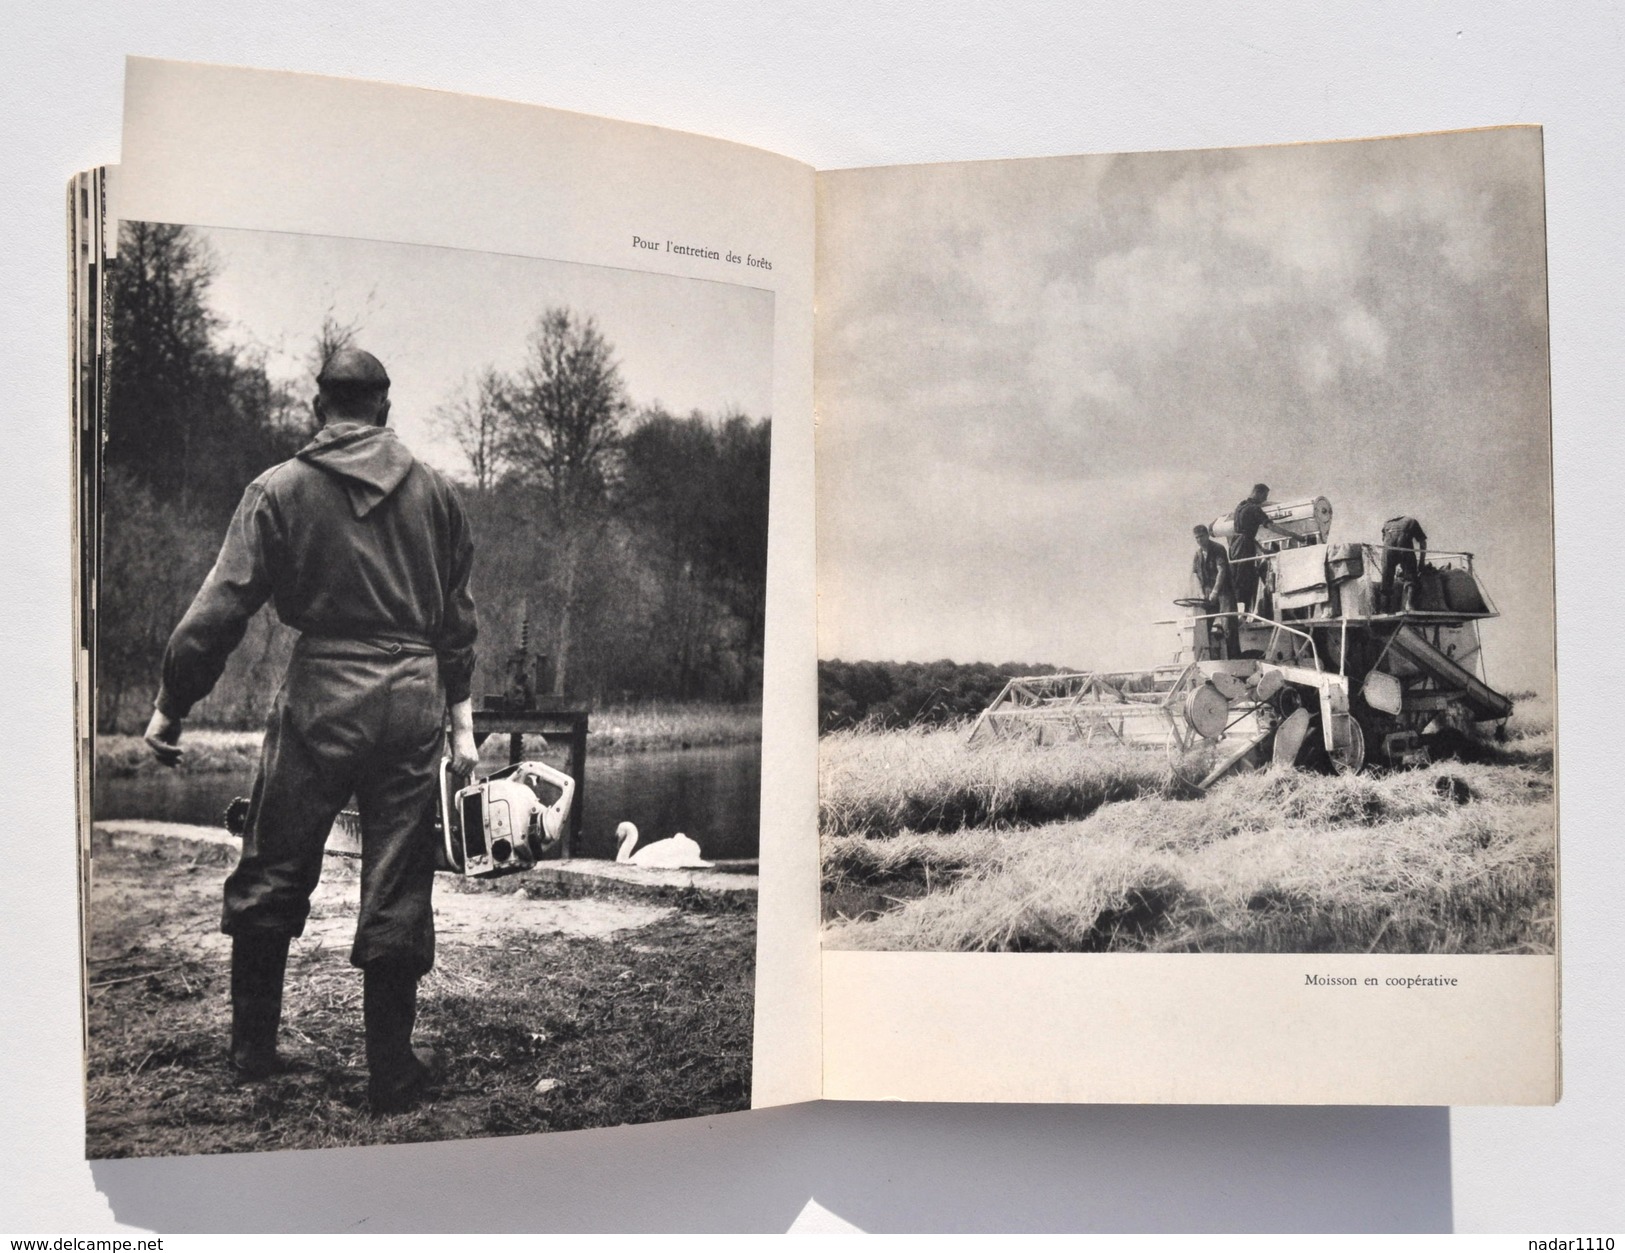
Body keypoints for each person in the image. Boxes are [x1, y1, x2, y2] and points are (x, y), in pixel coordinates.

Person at [142, 348, 480, 1114]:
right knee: (398, 871)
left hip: (323, 689)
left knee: (275, 856)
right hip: (412, 694)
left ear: (319, 406)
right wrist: (460, 725)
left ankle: (252, 1050)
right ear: (385, 410)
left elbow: (221, 607)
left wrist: (173, 703)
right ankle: (391, 1070)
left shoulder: (280, 490)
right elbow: (457, 621)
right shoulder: (437, 495)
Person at [1227, 483, 1295, 614]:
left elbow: (1245, 532)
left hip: (1235, 545)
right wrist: (1293, 535)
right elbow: (1271, 527)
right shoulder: (1254, 509)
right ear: (1257, 493)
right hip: (1245, 547)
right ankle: (1243, 612)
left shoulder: (1240, 506)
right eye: (1265, 495)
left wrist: (1262, 550)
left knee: (1238, 577)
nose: (1265, 499)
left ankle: (1241, 610)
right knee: (1245, 578)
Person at [1190, 524, 1239, 658]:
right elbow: (1195, 575)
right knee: (1203, 626)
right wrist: (1201, 593)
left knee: (1228, 624)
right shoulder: (1198, 554)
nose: (1199, 540)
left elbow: (1221, 570)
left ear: (1206, 535)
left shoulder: (1218, 549)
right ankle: (1205, 658)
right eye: (1196, 538)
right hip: (1207, 593)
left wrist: (1215, 592)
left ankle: (1234, 658)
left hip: (1223, 592)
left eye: (1201, 537)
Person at [1379, 514, 1428, 612]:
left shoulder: (1387, 524)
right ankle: (1409, 605)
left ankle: (1384, 608)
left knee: (1386, 578)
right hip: (1404, 548)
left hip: (1388, 550)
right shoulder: (1411, 521)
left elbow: (1383, 540)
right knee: (1411, 576)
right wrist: (1421, 562)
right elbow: (1423, 543)